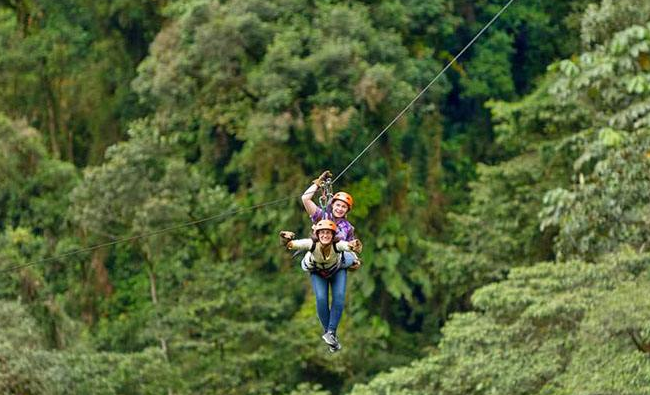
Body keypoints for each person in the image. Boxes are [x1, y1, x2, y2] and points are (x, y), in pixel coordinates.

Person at [280, 220, 362, 352]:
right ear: (317, 234)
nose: (325, 236)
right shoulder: (311, 243)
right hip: (317, 271)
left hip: (336, 269)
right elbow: (292, 245)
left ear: (333, 235)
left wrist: (354, 245)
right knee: (321, 299)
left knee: (339, 297)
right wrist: (285, 238)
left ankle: (331, 333)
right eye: (322, 233)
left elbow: (348, 246)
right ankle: (329, 335)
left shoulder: (337, 245)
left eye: (328, 233)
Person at [301, 170, 361, 271]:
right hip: (319, 259)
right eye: (338, 205)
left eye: (344, 207)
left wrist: (355, 260)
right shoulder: (323, 216)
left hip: (336, 262)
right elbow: (305, 198)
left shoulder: (348, 228)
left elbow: (350, 246)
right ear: (332, 205)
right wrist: (318, 183)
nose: (340, 209)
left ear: (347, 210)